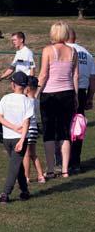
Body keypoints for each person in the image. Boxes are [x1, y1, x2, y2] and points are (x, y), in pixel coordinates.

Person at [37, 21, 79, 179]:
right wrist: (75, 96)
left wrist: (35, 94)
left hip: (50, 95)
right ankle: (65, 170)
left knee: (49, 132)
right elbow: (75, 75)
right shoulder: (73, 51)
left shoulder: (48, 50)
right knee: (64, 132)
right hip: (67, 94)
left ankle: (50, 168)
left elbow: (43, 75)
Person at [0, 71, 33, 203]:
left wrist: (12, 127)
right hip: (19, 138)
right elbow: (26, 122)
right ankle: (16, 192)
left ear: (13, 84)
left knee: (15, 165)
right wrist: (22, 139)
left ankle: (14, 192)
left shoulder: (5, 98)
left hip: (7, 138)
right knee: (15, 166)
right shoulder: (28, 101)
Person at [66, 28, 95, 173]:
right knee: (78, 128)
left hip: (66, 91)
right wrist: (90, 97)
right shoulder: (87, 54)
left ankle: (63, 163)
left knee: (63, 127)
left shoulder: (64, 50)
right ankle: (76, 163)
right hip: (82, 92)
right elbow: (92, 78)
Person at [23, 76, 45, 184]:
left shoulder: (26, 101)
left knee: (26, 154)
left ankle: (26, 177)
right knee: (33, 154)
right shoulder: (36, 101)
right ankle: (41, 175)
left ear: (27, 88)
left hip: (28, 130)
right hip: (35, 129)